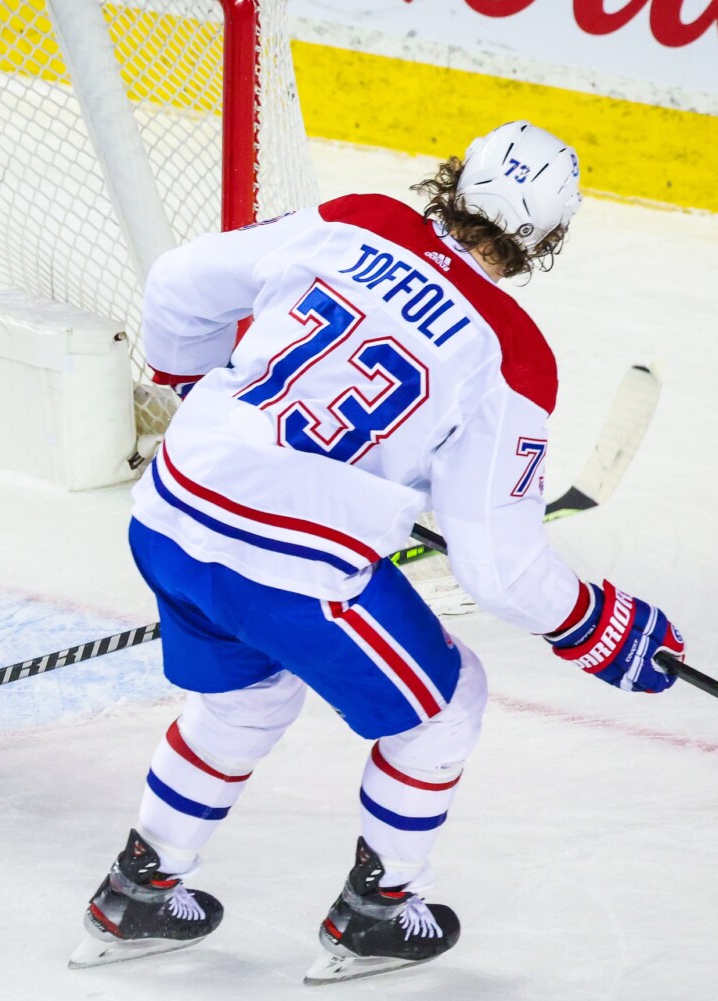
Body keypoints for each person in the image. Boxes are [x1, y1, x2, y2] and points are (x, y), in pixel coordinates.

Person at [68, 123, 685, 982]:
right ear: (546, 240)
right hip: (288, 562)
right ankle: (382, 906)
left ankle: (139, 889)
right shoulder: (513, 353)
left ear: (452, 183)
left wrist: (193, 386)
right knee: (448, 699)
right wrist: (595, 622)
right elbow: (496, 567)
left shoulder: (358, 219)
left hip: (171, 509)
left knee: (247, 698)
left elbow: (177, 283)